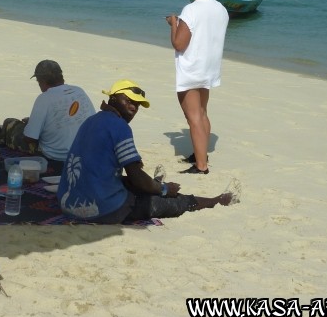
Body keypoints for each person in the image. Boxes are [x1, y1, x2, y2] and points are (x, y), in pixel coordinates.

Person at [58, 79, 237, 224]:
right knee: (173, 202)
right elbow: (135, 175)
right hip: (102, 210)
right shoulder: (120, 127)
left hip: (67, 204)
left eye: (137, 105)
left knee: (131, 183)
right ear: (113, 99)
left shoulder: (91, 121)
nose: (134, 107)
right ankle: (218, 200)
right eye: (128, 101)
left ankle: (154, 184)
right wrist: (165, 189)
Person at [166, 0, 230, 174]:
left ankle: (201, 165)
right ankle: (200, 153)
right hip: (209, 67)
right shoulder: (221, 9)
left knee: (193, 116)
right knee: (201, 113)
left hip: (192, 69)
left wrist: (174, 23)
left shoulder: (190, 10)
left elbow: (179, 43)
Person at [0, 60, 94, 172]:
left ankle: (2, 135)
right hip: (81, 153)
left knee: (10, 123)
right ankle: (5, 132)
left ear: (42, 81)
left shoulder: (44, 98)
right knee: (36, 125)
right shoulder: (79, 91)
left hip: (55, 155)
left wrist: (30, 127)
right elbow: (90, 121)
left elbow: (30, 138)